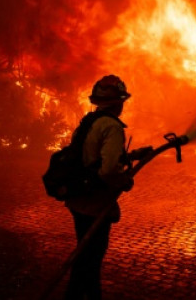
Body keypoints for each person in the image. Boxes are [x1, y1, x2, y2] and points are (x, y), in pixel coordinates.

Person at [64, 75, 135, 300]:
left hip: (78, 199)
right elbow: (108, 170)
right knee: (90, 261)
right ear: (118, 103)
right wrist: (124, 180)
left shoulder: (89, 122)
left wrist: (131, 156)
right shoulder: (113, 127)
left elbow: (93, 157)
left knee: (84, 258)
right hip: (94, 203)